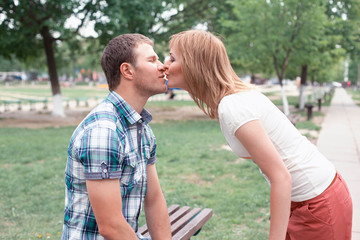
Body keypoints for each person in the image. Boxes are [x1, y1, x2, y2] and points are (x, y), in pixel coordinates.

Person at [163, 29, 353, 240]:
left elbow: (281, 177)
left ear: (194, 64)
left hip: (317, 203)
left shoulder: (233, 106)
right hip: (307, 200)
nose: (165, 64)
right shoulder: (232, 99)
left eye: (172, 58)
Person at [61, 33, 172, 240]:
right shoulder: (103, 131)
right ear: (127, 70)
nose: (162, 66)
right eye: (152, 60)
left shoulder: (142, 129)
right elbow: (110, 226)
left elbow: (154, 200)